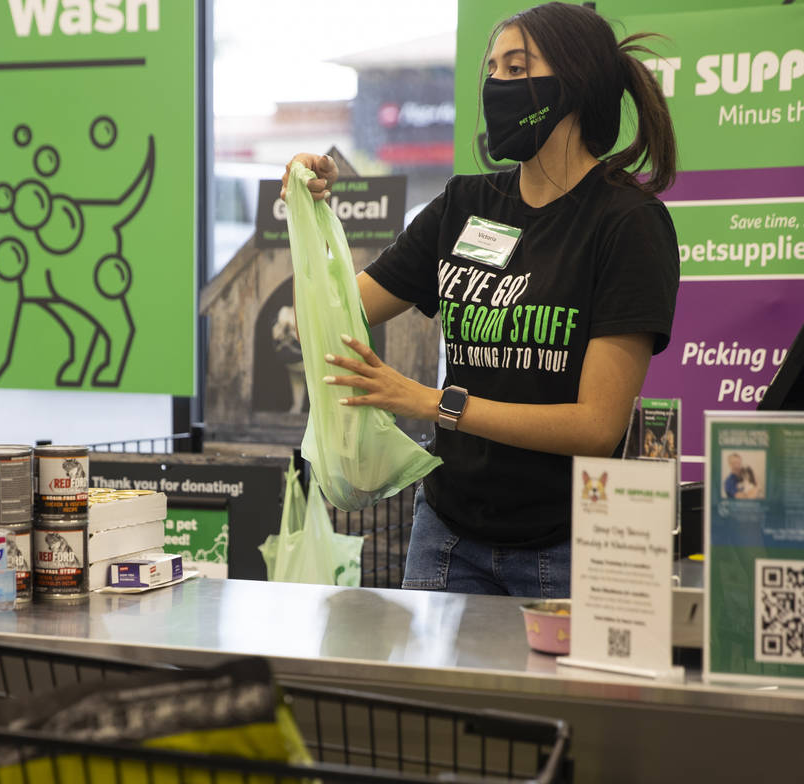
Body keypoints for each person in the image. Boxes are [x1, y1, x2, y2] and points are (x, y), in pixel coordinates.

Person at [281, 2, 679, 597]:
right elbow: (334, 317)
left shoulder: (627, 223)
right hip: (445, 535)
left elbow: (597, 425)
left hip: (567, 546)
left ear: (574, 81)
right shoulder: (463, 205)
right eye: (492, 69)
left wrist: (432, 403)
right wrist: (307, 218)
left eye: (517, 68)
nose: (497, 85)